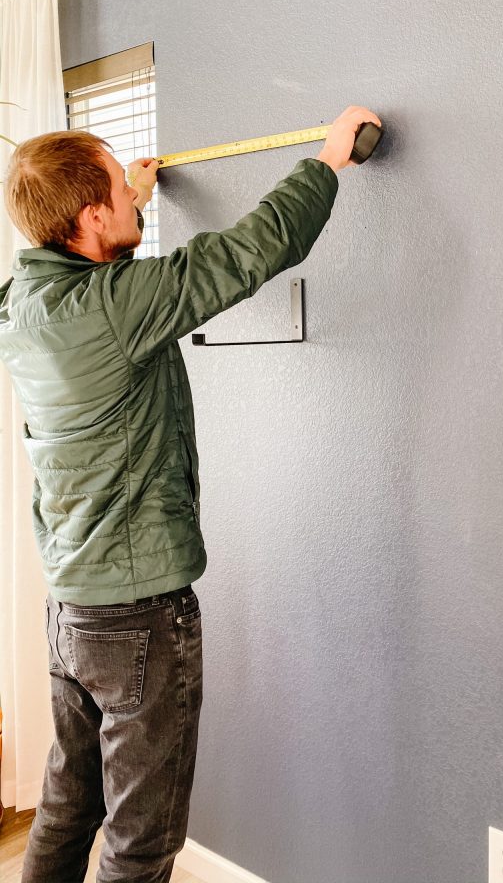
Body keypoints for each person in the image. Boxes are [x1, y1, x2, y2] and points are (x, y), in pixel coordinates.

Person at [0, 104, 382, 883]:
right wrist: (328, 161)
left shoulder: (23, 304)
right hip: (139, 615)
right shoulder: (115, 307)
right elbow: (245, 253)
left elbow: (110, 278)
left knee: (70, 807)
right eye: (119, 190)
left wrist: (132, 193)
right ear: (88, 217)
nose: (133, 197)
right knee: (143, 841)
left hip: (72, 607)